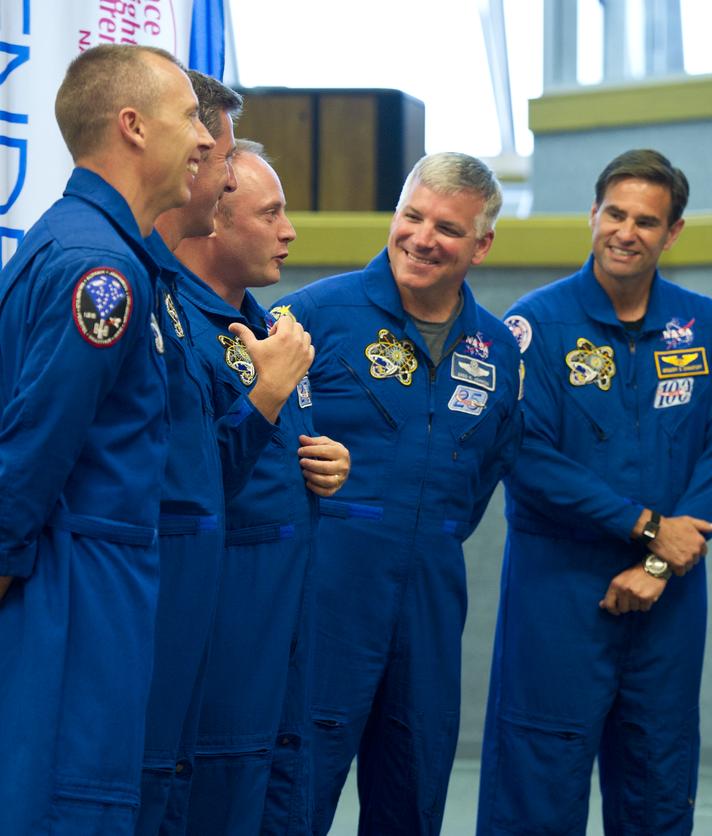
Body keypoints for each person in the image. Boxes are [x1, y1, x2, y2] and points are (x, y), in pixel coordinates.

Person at [478, 148, 712, 835]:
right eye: (615, 213)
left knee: (659, 780)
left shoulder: (704, 325)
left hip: (667, 596)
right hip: (559, 594)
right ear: (592, 216)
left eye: (647, 220)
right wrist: (645, 526)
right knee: (537, 781)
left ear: (672, 234)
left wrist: (663, 559)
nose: (626, 231)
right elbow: (526, 454)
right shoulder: (536, 326)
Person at [276, 152, 522, 835]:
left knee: (413, 792)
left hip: (430, 598)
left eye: (446, 227)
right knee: (296, 785)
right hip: (323, 591)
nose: (421, 237)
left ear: (482, 244)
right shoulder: (313, 317)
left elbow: (481, 478)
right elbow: (246, 443)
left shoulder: (498, 351)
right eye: (411, 216)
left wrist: (420, 531)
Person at [0, 45, 213, 834]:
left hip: (88, 572)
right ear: (132, 126)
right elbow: (32, 449)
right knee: (70, 804)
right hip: (73, 584)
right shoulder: (103, 273)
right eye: (190, 116)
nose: (203, 138)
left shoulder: (87, 245)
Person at [174, 140, 348, 835]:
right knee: (217, 799)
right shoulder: (180, 328)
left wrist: (329, 463)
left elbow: (275, 456)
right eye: (271, 212)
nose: (290, 231)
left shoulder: (277, 330)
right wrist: (265, 396)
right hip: (220, 626)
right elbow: (188, 484)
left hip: (287, 615)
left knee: (280, 795)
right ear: (214, 219)